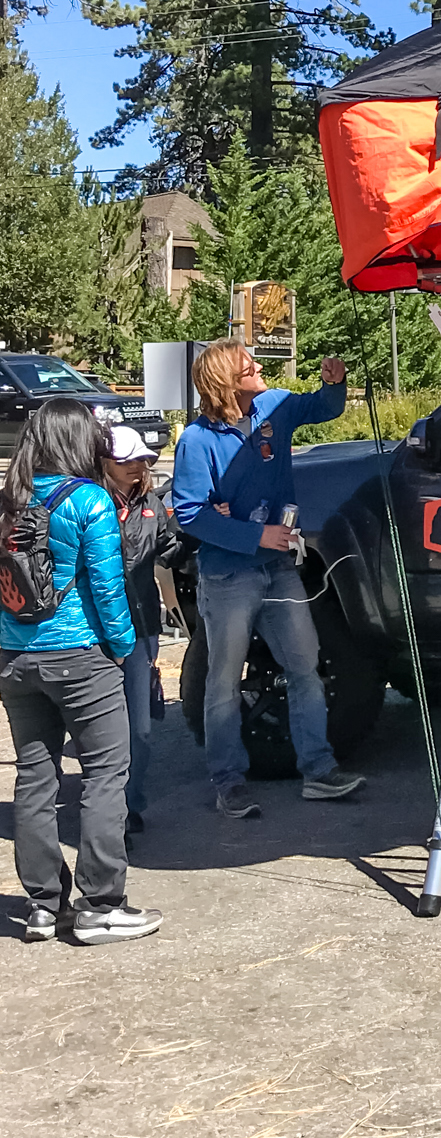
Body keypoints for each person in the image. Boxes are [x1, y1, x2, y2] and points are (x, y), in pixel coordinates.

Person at [171, 341, 365, 819]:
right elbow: (190, 514)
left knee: (306, 668)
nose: (259, 369)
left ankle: (318, 771)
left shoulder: (274, 405)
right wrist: (257, 534)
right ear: (225, 382)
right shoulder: (196, 441)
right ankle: (228, 781)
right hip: (229, 575)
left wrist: (334, 383)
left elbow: (321, 407)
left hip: (279, 570)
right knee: (223, 682)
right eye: (248, 366)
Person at [0, 399, 164, 944]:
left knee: (35, 777)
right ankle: (102, 903)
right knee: (104, 773)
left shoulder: (8, 502)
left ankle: (43, 906)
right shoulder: (89, 500)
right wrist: (124, 651)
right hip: (80, 654)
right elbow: (108, 590)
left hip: (14, 658)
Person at [102, 425, 171, 838]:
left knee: (140, 729)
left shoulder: (151, 501)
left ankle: (129, 807)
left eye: (143, 458)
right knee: (103, 729)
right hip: (95, 634)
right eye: (128, 460)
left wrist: (195, 533)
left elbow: (167, 547)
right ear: (104, 463)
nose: (139, 466)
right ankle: (108, 813)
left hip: (142, 626)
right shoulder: (87, 501)